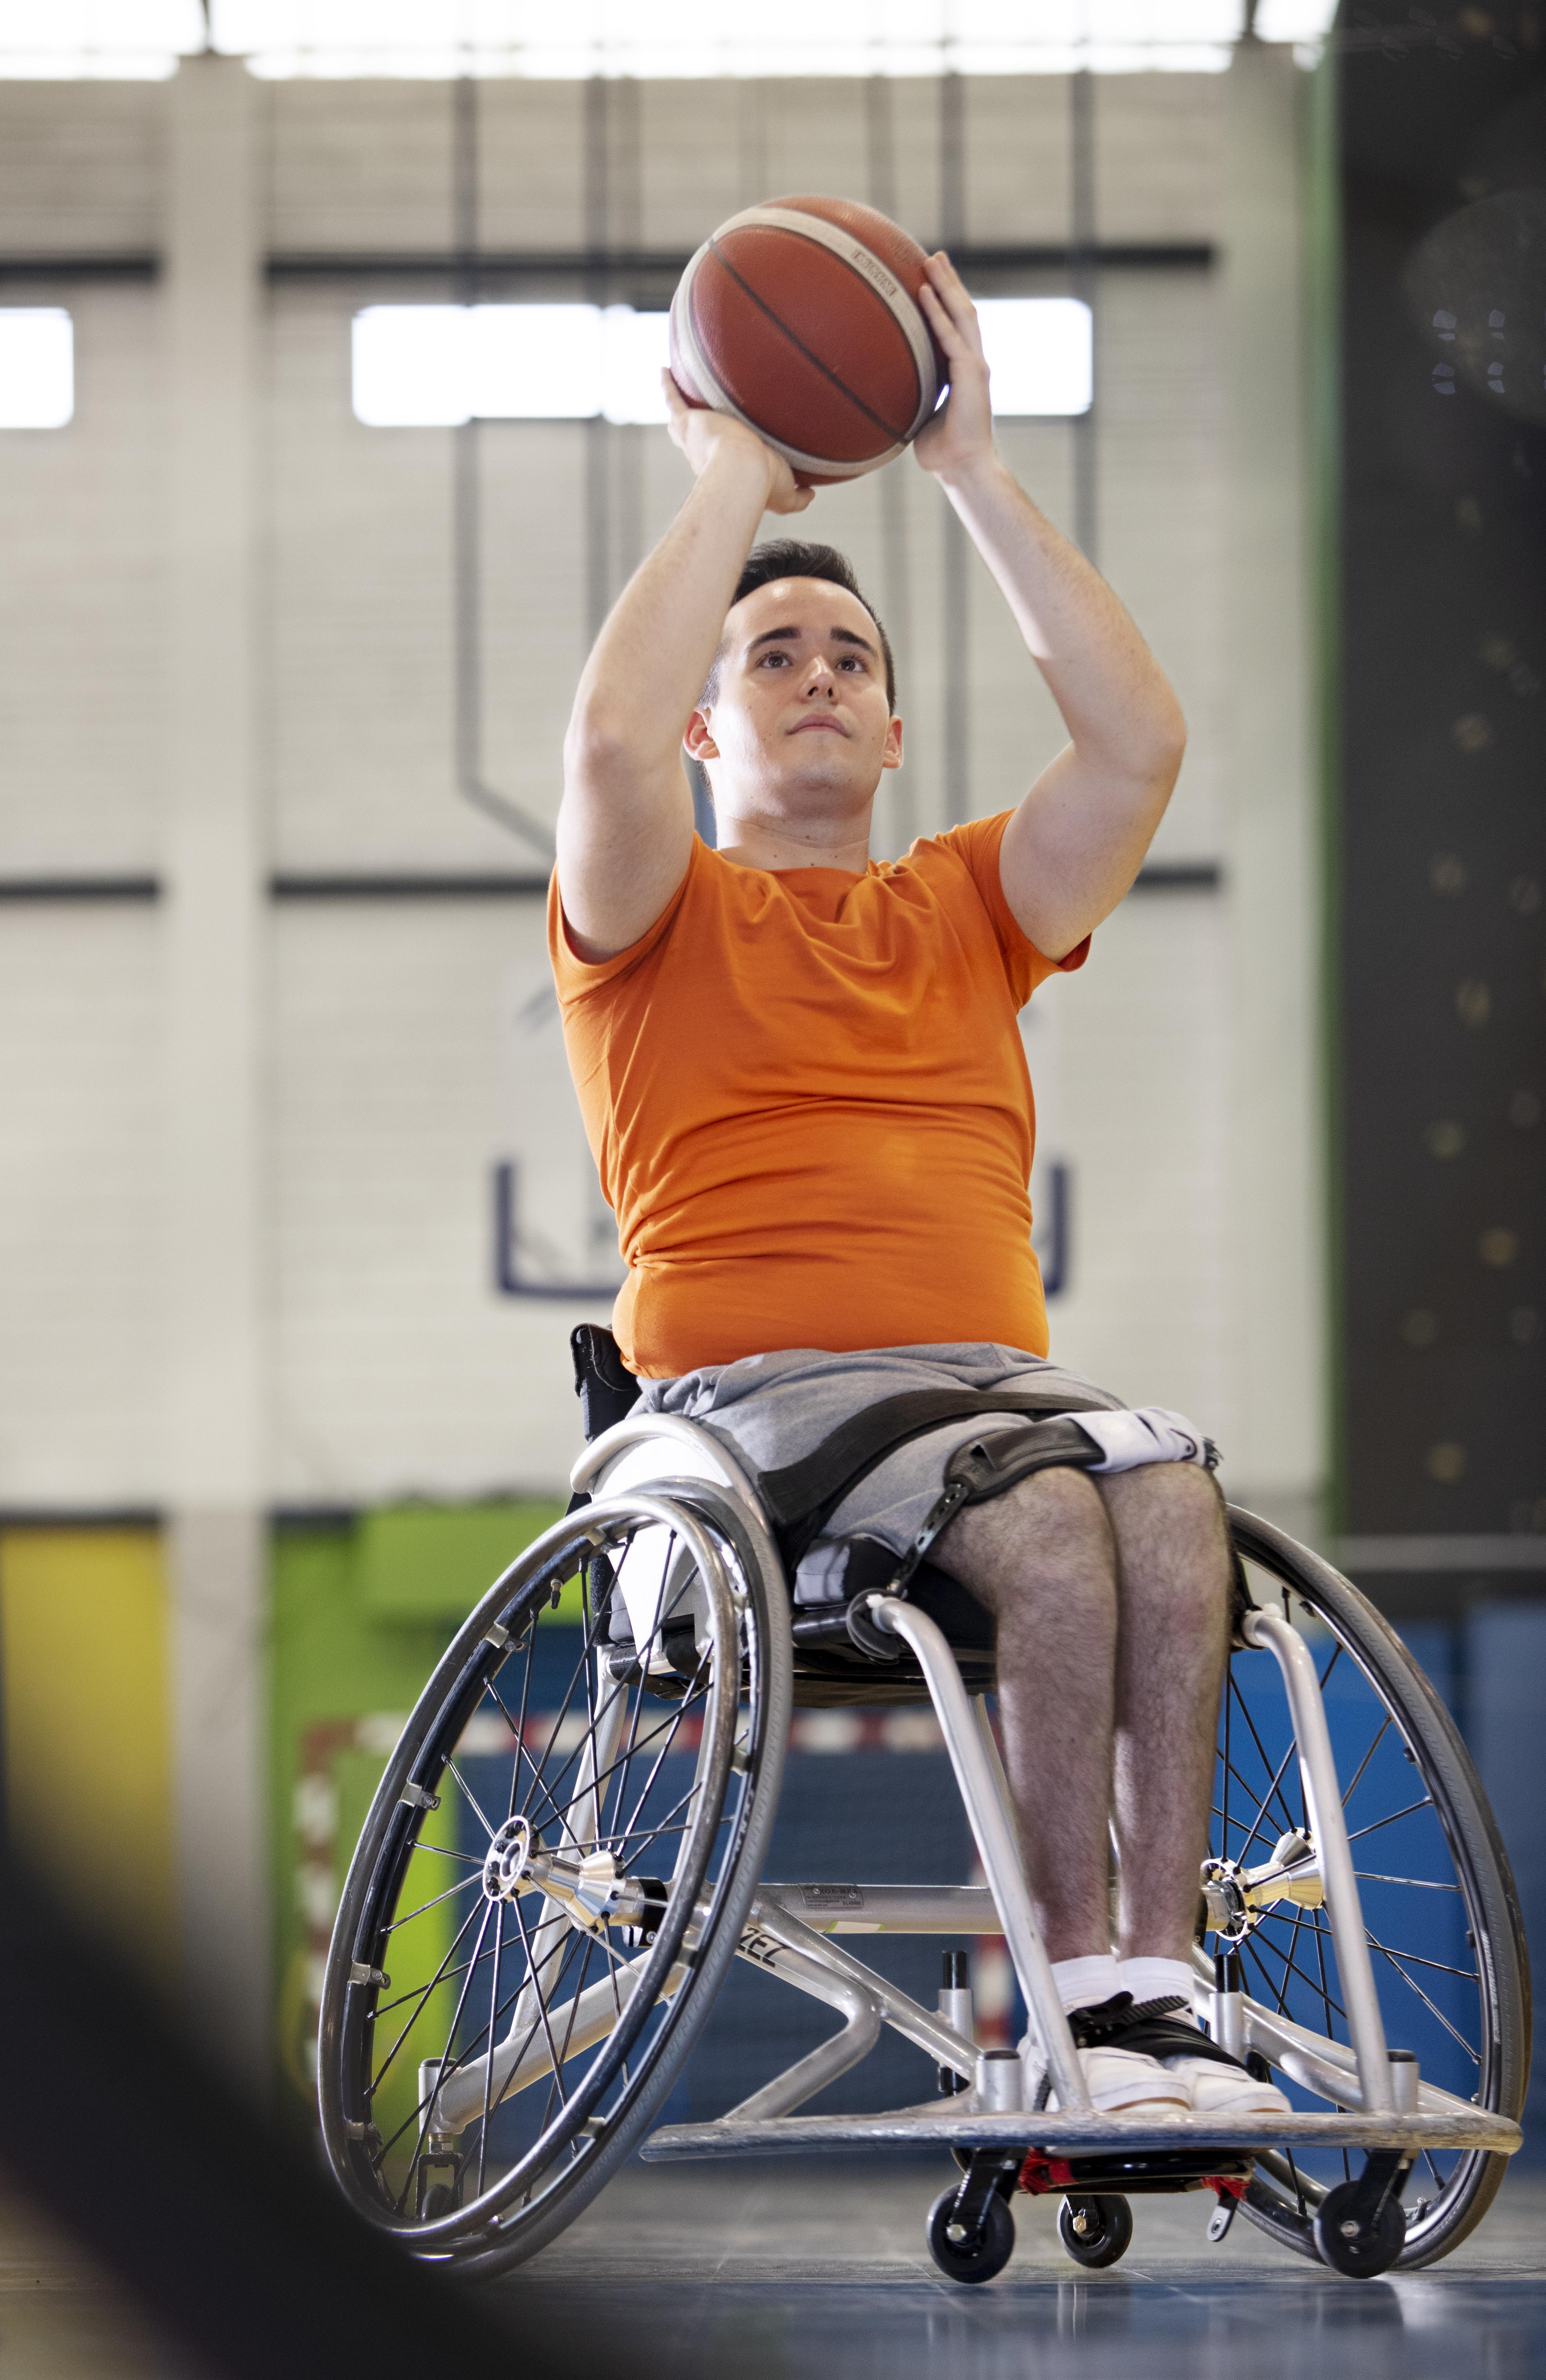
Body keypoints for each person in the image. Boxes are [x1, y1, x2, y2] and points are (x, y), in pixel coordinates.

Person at [548, 250, 1286, 2118]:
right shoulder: (652, 915)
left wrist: (969, 471)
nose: (816, 674)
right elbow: (605, 743)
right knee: (1045, 1514)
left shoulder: (963, 903)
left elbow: (1140, 744)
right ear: (717, 735)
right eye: (771, 657)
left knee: (1172, 1491)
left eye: (850, 661)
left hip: (983, 1394)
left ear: (893, 737)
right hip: (744, 1423)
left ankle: (1148, 1991)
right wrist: (739, 470)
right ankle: (1082, 2011)